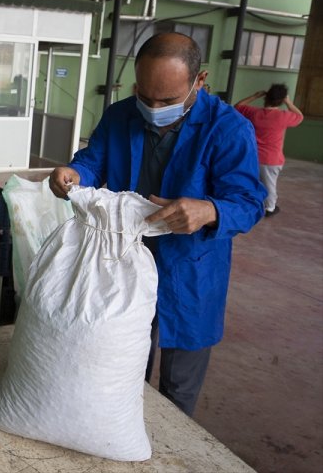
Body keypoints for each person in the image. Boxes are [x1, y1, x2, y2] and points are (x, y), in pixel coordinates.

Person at [48, 32, 266, 417]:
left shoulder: (228, 129)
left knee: (179, 385)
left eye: (166, 101)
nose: (152, 108)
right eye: (144, 96)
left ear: (200, 81)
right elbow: (93, 162)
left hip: (190, 267)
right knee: (120, 360)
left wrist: (208, 211)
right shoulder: (120, 115)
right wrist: (73, 174)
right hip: (122, 259)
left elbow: (249, 202)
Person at [234, 84, 304, 217]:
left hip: (253, 156)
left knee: (251, 181)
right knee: (269, 185)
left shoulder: (255, 113)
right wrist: (288, 102)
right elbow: (299, 116)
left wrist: (255, 95)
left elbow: (238, 106)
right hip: (272, 159)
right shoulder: (283, 116)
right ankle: (270, 208)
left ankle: (248, 204)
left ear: (266, 97)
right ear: (281, 99)